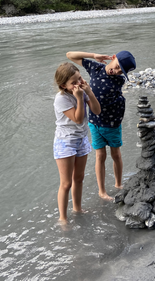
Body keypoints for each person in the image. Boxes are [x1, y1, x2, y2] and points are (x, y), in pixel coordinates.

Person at [66, 51, 136, 201]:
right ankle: (102, 191)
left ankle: (118, 184)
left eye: (120, 71)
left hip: (113, 123)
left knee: (116, 154)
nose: (116, 71)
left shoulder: (119, 80)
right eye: (117, 66)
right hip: (95, 122)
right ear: (113, 57)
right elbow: (70, 55)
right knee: (100, 156)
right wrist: (93, 55)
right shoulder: (95, 68)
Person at [53, 62, 101, 223]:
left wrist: (89, 93)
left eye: (79, 78)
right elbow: (78, 119)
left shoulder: (81, 90)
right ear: (63, 85)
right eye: (73, 82)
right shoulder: (61, 99)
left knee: (79, 178)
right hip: (65, 142)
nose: (78, 83)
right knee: (66, 183)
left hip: (81, 139)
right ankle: (63, 218)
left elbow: (97, 110)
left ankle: (77, 208)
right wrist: (80, 98)